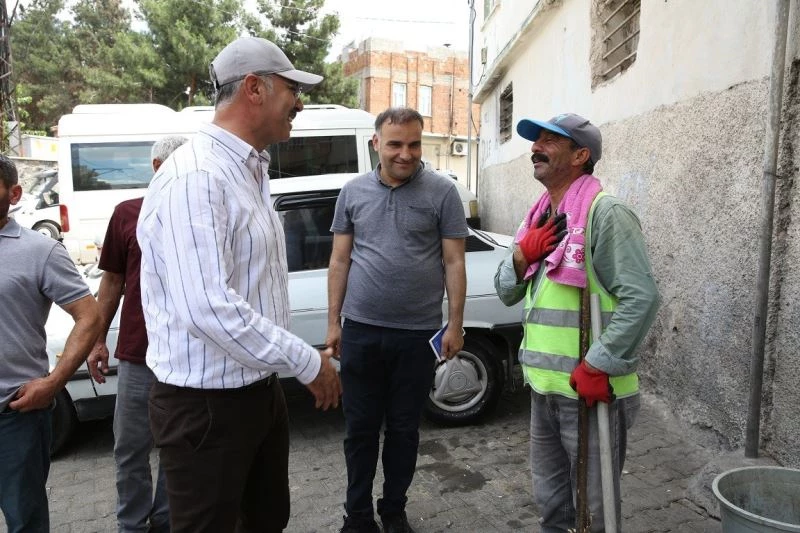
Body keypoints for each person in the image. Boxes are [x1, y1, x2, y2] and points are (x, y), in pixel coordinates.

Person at [136, 36, 341, 533]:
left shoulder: (246, 170)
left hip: (254, 392)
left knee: (268, 520)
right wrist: (306, 361)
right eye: (292, 89)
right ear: (254, 88)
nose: (301, 103)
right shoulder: (198, 176)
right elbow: (207, 307)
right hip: (206, 408)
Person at [494, 113, 659, 532]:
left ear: (581, 155)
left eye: (550, 141)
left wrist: (597, 363)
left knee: (595, 513)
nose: (536, 147)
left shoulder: (606, 214)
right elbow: (506, 291)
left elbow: (641, 298)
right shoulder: (536, 219)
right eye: (535, 141)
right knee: (553, 509)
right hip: (544, 388)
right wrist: (520, 256)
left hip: (590, 390)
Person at [327, 107, 469, 533]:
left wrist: (456, 324)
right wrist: (334, 323)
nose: (405, 154)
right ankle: (356, 515)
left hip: (417, 335)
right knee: (360, 431)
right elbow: (339, 259)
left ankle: (393, 510)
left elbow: (454, 261)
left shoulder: (443, 192)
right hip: (362, 332)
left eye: (413, 144)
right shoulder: (352, 192)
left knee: (405, 431)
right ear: (376, 144)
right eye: (395, 144)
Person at [87, 135, 188, 533]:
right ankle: (131, 525)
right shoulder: (128, 213)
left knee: (177, 449)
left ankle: (165, 521)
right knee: (129, 448)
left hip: (187, 357)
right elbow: (111, 283)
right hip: (138, 354)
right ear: (157, 168)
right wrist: (97, 340)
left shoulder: (202, 214)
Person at [0, 155, 101, 532]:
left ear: (14, 193)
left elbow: (88, 315)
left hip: (14, 416)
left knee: (25, 520)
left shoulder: (39, 251)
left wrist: (54, 381)